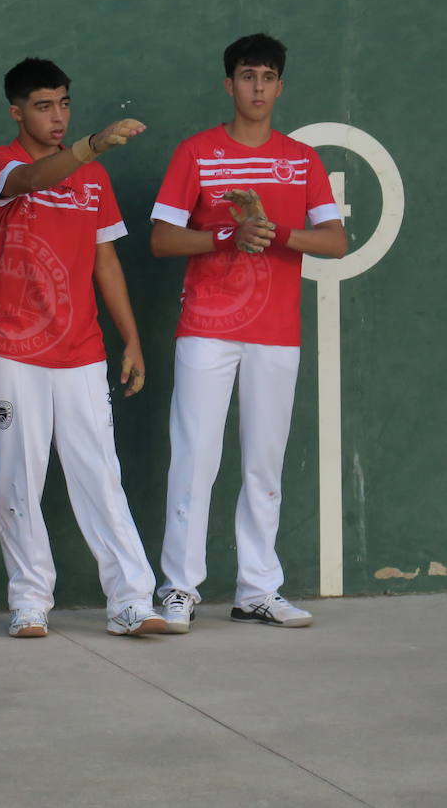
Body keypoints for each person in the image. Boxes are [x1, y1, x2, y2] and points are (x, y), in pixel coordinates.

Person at [150, 33, 346, 632]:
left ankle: (258, 588)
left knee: (264, 461)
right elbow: (162, 239)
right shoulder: (197, 153)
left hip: (275, 331)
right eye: (245, 76)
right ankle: (178, 588)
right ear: (228, 84)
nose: (256, 87)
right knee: (196, 457)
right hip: (207, 328)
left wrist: (276, 233)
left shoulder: (301, 159)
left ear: (280, 86)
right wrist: (226, 236)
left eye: (266, 77)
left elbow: (334, 241)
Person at [0, 57, 165, 639]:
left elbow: (105, 260)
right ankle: (29, 600)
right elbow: (32, 182)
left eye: (63, 104)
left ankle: (131, 600)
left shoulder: (94, 180)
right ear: (17, 112)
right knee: (18, 478)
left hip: (82, 350)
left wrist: (130, 337)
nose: (56, 116)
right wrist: (92, 144)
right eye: (43, 106)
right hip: (11, 349)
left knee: (99, 474)